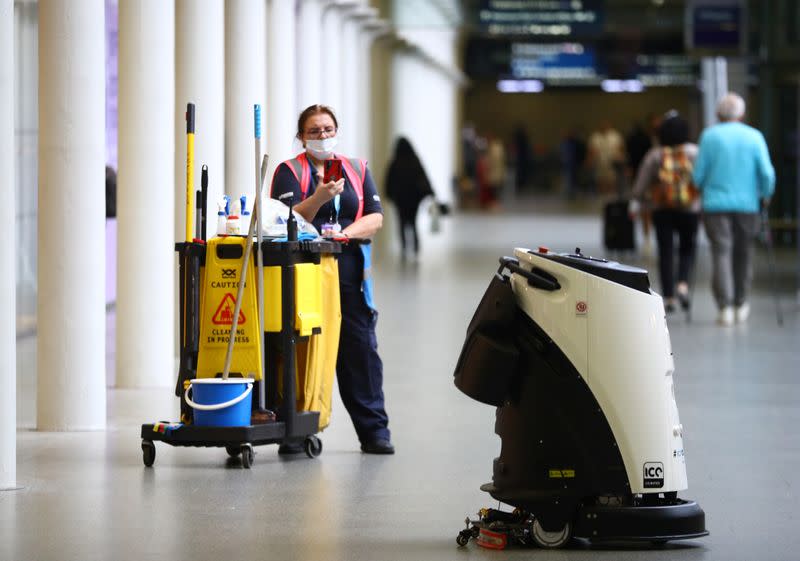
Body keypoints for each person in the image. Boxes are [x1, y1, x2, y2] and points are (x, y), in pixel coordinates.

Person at [270, 104, 394, 454]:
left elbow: (375, 217)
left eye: (327, 129)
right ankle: (295, 429)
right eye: (314, 131)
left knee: (361, 351)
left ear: (336, 131)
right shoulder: (289, 172)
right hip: (306, 271)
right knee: (303, 349)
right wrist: (320, 196)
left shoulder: (356, 169)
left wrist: (345, 234)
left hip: (350, 272)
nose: (322, 136)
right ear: (301, 137)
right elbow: (286, 220)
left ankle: (375, 432)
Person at [693, 93, 775, 326]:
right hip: (748, 205)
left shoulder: (709, 137)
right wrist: (766, 195)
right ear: (742, 114)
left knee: (721, 253)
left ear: (719, 114)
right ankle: (741, 302)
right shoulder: (754, 136)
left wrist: (701, 187)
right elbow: (767, 173)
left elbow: (698, 175)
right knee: (744, 253)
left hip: (715, 206)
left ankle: (725, 307)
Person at [630, 112, 700, 313]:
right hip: (689, 209)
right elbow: (702, 179)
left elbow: (640, 186)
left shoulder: (655, 155)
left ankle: (668, 297)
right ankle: (683, 284)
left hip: (661, 209)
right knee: (687, 248)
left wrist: (636, 200)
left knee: (666, 251)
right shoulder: (694, 152)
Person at [385, 137, 433, 261]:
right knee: (413, 223)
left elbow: (389, 180)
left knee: (401, 223)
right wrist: (430, 193)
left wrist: (389, 194)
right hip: (414, 200)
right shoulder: (414, 161)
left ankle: (404, 247)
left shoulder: (395, 162)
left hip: (400, 200)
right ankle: (416, 246)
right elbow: (423, 177)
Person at [587, 121, 626, 195]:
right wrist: (589, 160)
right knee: (600, 179)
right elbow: (591, 150)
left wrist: (621, 158)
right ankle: (601, 194)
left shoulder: (615, 136)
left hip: (613, 161)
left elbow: (621, 148)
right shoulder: (595, 136)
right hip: (599, 162)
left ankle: (610, 195)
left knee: (612, 179)